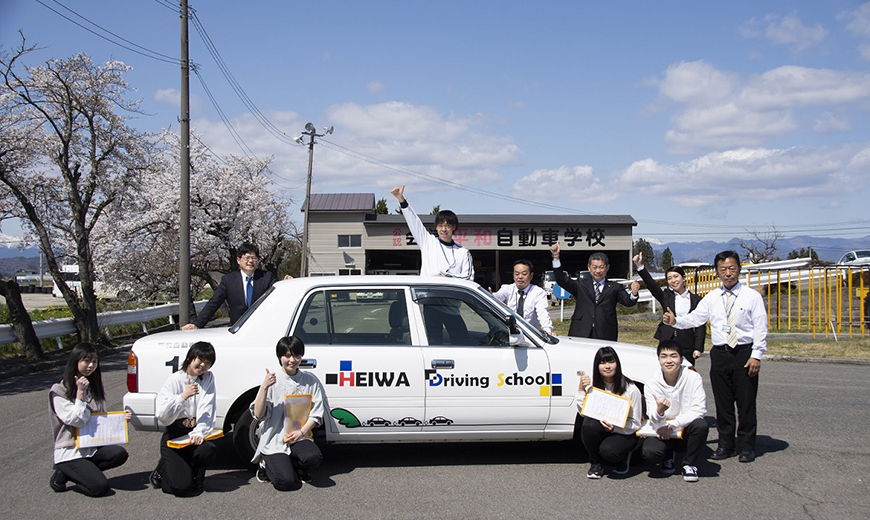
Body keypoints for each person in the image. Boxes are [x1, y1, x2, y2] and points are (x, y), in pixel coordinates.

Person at [664, 250, 766, 463]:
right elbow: (695, 319)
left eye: (732, 268)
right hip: (720, 353)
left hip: (744, 353)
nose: (728, 273)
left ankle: (747, 446)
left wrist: (756, 355)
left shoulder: (752, 296)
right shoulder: (712, 298)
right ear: (717, 272)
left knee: (746, 402)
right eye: (723, 270)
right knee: (723, 402)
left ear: (739, 268)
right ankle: (726, 445)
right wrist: (675, 322)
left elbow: (760, 328)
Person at [48, 343, 130, 496]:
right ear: (75, 361)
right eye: (86, 360)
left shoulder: (94, 386)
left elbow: (99, 416)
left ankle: (78, 472)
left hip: (91, 446)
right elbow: (76, 420)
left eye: (94, 361)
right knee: (100, 488)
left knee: (119, 454)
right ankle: (64, 471)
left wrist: (120, 419)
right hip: (71, 450)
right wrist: (79, 395)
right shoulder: (59, 390)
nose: (91, 365)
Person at [251, 336, 325, 491]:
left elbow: (316, 414)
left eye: (297, 355)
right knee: (286, 483)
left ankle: (296, 465)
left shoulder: (310, 380)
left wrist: (302, 432)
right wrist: (264, 387)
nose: (292, 360)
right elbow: (258, 414)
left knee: (313, 457)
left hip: (299, 435)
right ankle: (265, 465)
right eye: (287, 356)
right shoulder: (272, 380)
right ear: (280, 357)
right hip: (275, 439)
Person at [153, 341, 218, 495]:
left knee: (208, 449)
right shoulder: (175, 380)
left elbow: (207, 407)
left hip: (194, 433)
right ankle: (163, 469)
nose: (203, 365)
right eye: (200, 360)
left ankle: (198, 478)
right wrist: (183, 397)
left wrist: (200, 432)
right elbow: (162, 415)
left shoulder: (208, 377)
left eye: (208, 363)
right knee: (181, 487)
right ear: (191, 357)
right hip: (174, 436)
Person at [641, 339, 709, 482]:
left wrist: (672, 425)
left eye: (673, 356)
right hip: (661, 430)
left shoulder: (693, 377)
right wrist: (660, 411)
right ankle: (667, 457)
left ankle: (689, 464)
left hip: (684, 428)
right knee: (650, 452)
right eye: (663, 356)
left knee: (701, 425)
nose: (668, 361)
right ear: (658, 359)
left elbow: (699, 409)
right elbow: (652, 417)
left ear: (681, 358)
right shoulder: (651, 383)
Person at [576, 346, 643, 479]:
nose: (607, 366)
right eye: (603, 362)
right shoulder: (593, 386)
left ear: (617, 364)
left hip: (625, 432)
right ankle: (596, 463)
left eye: (611, 362)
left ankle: (623, 457)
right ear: (597, 366)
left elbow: (635, 423)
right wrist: (581, 388)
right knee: (588, 425)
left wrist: (614, 428)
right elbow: (582, 411)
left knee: (609, 452)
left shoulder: (631, 390)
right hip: (603, 428)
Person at [550, 243, 640, 340]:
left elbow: (628, 301)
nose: (598, 270)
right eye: (594, 267)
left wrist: (634, 293)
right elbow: (561, 280)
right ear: (589, 267)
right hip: (580, 331)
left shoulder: (615, 287)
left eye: (601, 267)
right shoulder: (581, 284)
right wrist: (556, 257)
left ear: (607, 267)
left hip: (605, 332)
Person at [183, 242, 279, 330]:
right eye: (247, 258)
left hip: (262, 329)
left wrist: (287, 282)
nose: (250, 261)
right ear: (238, 260)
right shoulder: (228, 280)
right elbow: (214, 302)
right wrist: (197, 324)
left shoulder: (267, 277)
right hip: (236, 329)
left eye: (254, 258)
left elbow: (279, 294)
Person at [633, 252, 706, 365]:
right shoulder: (666, 296)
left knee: (686, 374)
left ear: (684, 278)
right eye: (669, 278)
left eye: (676, 276)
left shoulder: (696, 300)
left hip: (687, 342)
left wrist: (698, 348)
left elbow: (700, 324)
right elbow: (652, 285)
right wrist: (640, 266)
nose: (673, 281)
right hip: (667, 340)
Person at [390, 185, 474, 280]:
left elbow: (468, 278)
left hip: (452, 294)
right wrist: (401, 200)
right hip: (427, 294)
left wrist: (444, 277)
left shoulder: (463, 252)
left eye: (447, 226)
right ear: (436, 227)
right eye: (440, 226)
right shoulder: (428, 242)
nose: (443, 229)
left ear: (453, 227)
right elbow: (414, 222)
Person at [492, 259, 553, 335]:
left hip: (530, 335)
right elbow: (498, 296)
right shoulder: (507, 289)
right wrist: (490, 296)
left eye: (524, 274)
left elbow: (543, 313)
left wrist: (547, 330)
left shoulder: (538, 292)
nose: (520, 277)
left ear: (531, 276)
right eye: (517, 274)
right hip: (507, 334)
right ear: (513, 276)